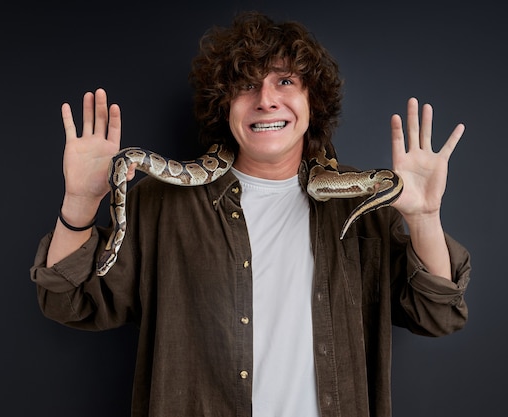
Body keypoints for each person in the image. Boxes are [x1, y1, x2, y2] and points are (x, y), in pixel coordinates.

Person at [30, 10, 470, 417]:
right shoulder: (160, 204)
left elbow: (437, 314)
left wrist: (425, 217)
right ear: (225, 105)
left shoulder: (363, 204)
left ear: (311, 101)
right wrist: (82, 201)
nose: (265, 100)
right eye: (246, 85)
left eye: (284, 82)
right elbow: (68, 301)